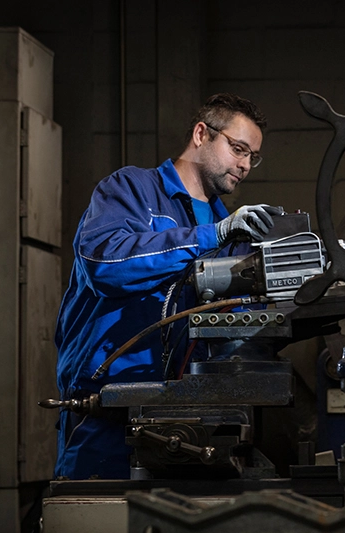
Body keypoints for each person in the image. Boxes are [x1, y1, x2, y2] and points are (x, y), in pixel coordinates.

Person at [53, 93, 282, 479]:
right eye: (238, 149)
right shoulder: (131, 190)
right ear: (201, 134)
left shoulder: (230, 229)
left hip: (188, 414)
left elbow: (236, 317)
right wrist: (211, 236)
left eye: (252, 157)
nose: (245, 165)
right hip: (107, 406)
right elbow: (105, 262)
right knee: (94, 508)